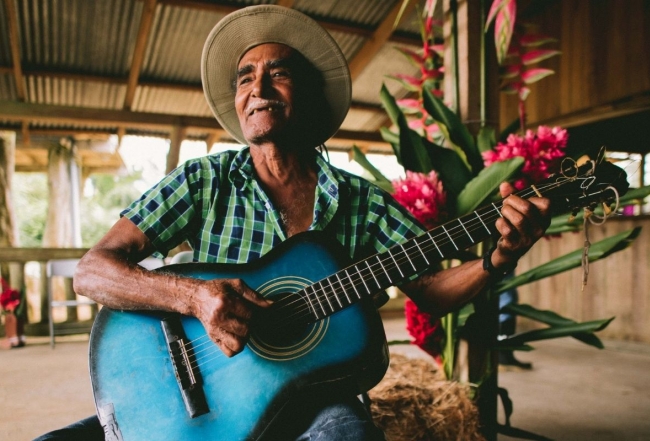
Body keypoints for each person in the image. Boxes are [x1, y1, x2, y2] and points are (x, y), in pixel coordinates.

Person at [35, 5, 551, 441]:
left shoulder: (361, 201)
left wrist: (497, 258)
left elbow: (431, 292)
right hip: (211, 400)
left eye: (277, 73)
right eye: (244, 77)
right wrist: (194, 298)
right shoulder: (202, 180)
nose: (257, 87)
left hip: (316, 398)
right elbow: (92, 272)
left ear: (305, 94)